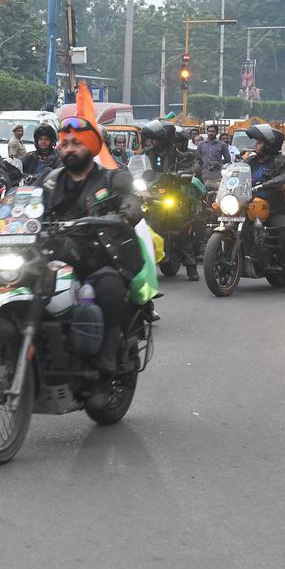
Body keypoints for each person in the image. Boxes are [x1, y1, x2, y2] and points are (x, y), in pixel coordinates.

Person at [41, 116, 144, 379]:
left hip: (99, 255)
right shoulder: (49, 181)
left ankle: (107, 359)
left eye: (77, 143)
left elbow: (131, 201)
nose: (69, 149)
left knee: (109, 287)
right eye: (65, 144)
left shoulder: (112, 178)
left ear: (91, 146)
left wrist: (125, 214)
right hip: (53, 251)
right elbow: (22, 201)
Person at [140, 120, 201, 280]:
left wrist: (182, 173)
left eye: (153, 139)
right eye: (150, 139)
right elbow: (137, 168)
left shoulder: (178, 155)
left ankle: (191, 266)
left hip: (171, 196)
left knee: (180, 228)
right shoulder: (146, 154)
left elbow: (193, 166)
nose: (150, 142)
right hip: (150, 196)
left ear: (162, 140)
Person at [244, 124, 285, 293]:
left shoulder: (281, 161)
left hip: (274, 207)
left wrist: (270, 183)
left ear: (269, 145)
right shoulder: (250, 161)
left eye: (260, 143)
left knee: (284, 236)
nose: (256, 146)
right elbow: (236, 172)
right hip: (249, 205)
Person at [195, 122, 231, 187]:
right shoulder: (201, 144)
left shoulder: (222, 145)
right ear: (207, 132)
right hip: (202, 175)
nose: (210, 133)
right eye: (209, 131)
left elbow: (228, 159)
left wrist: (218, 164)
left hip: (216, 176)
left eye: (213, 131)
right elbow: (197, 159)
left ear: (217, 133)